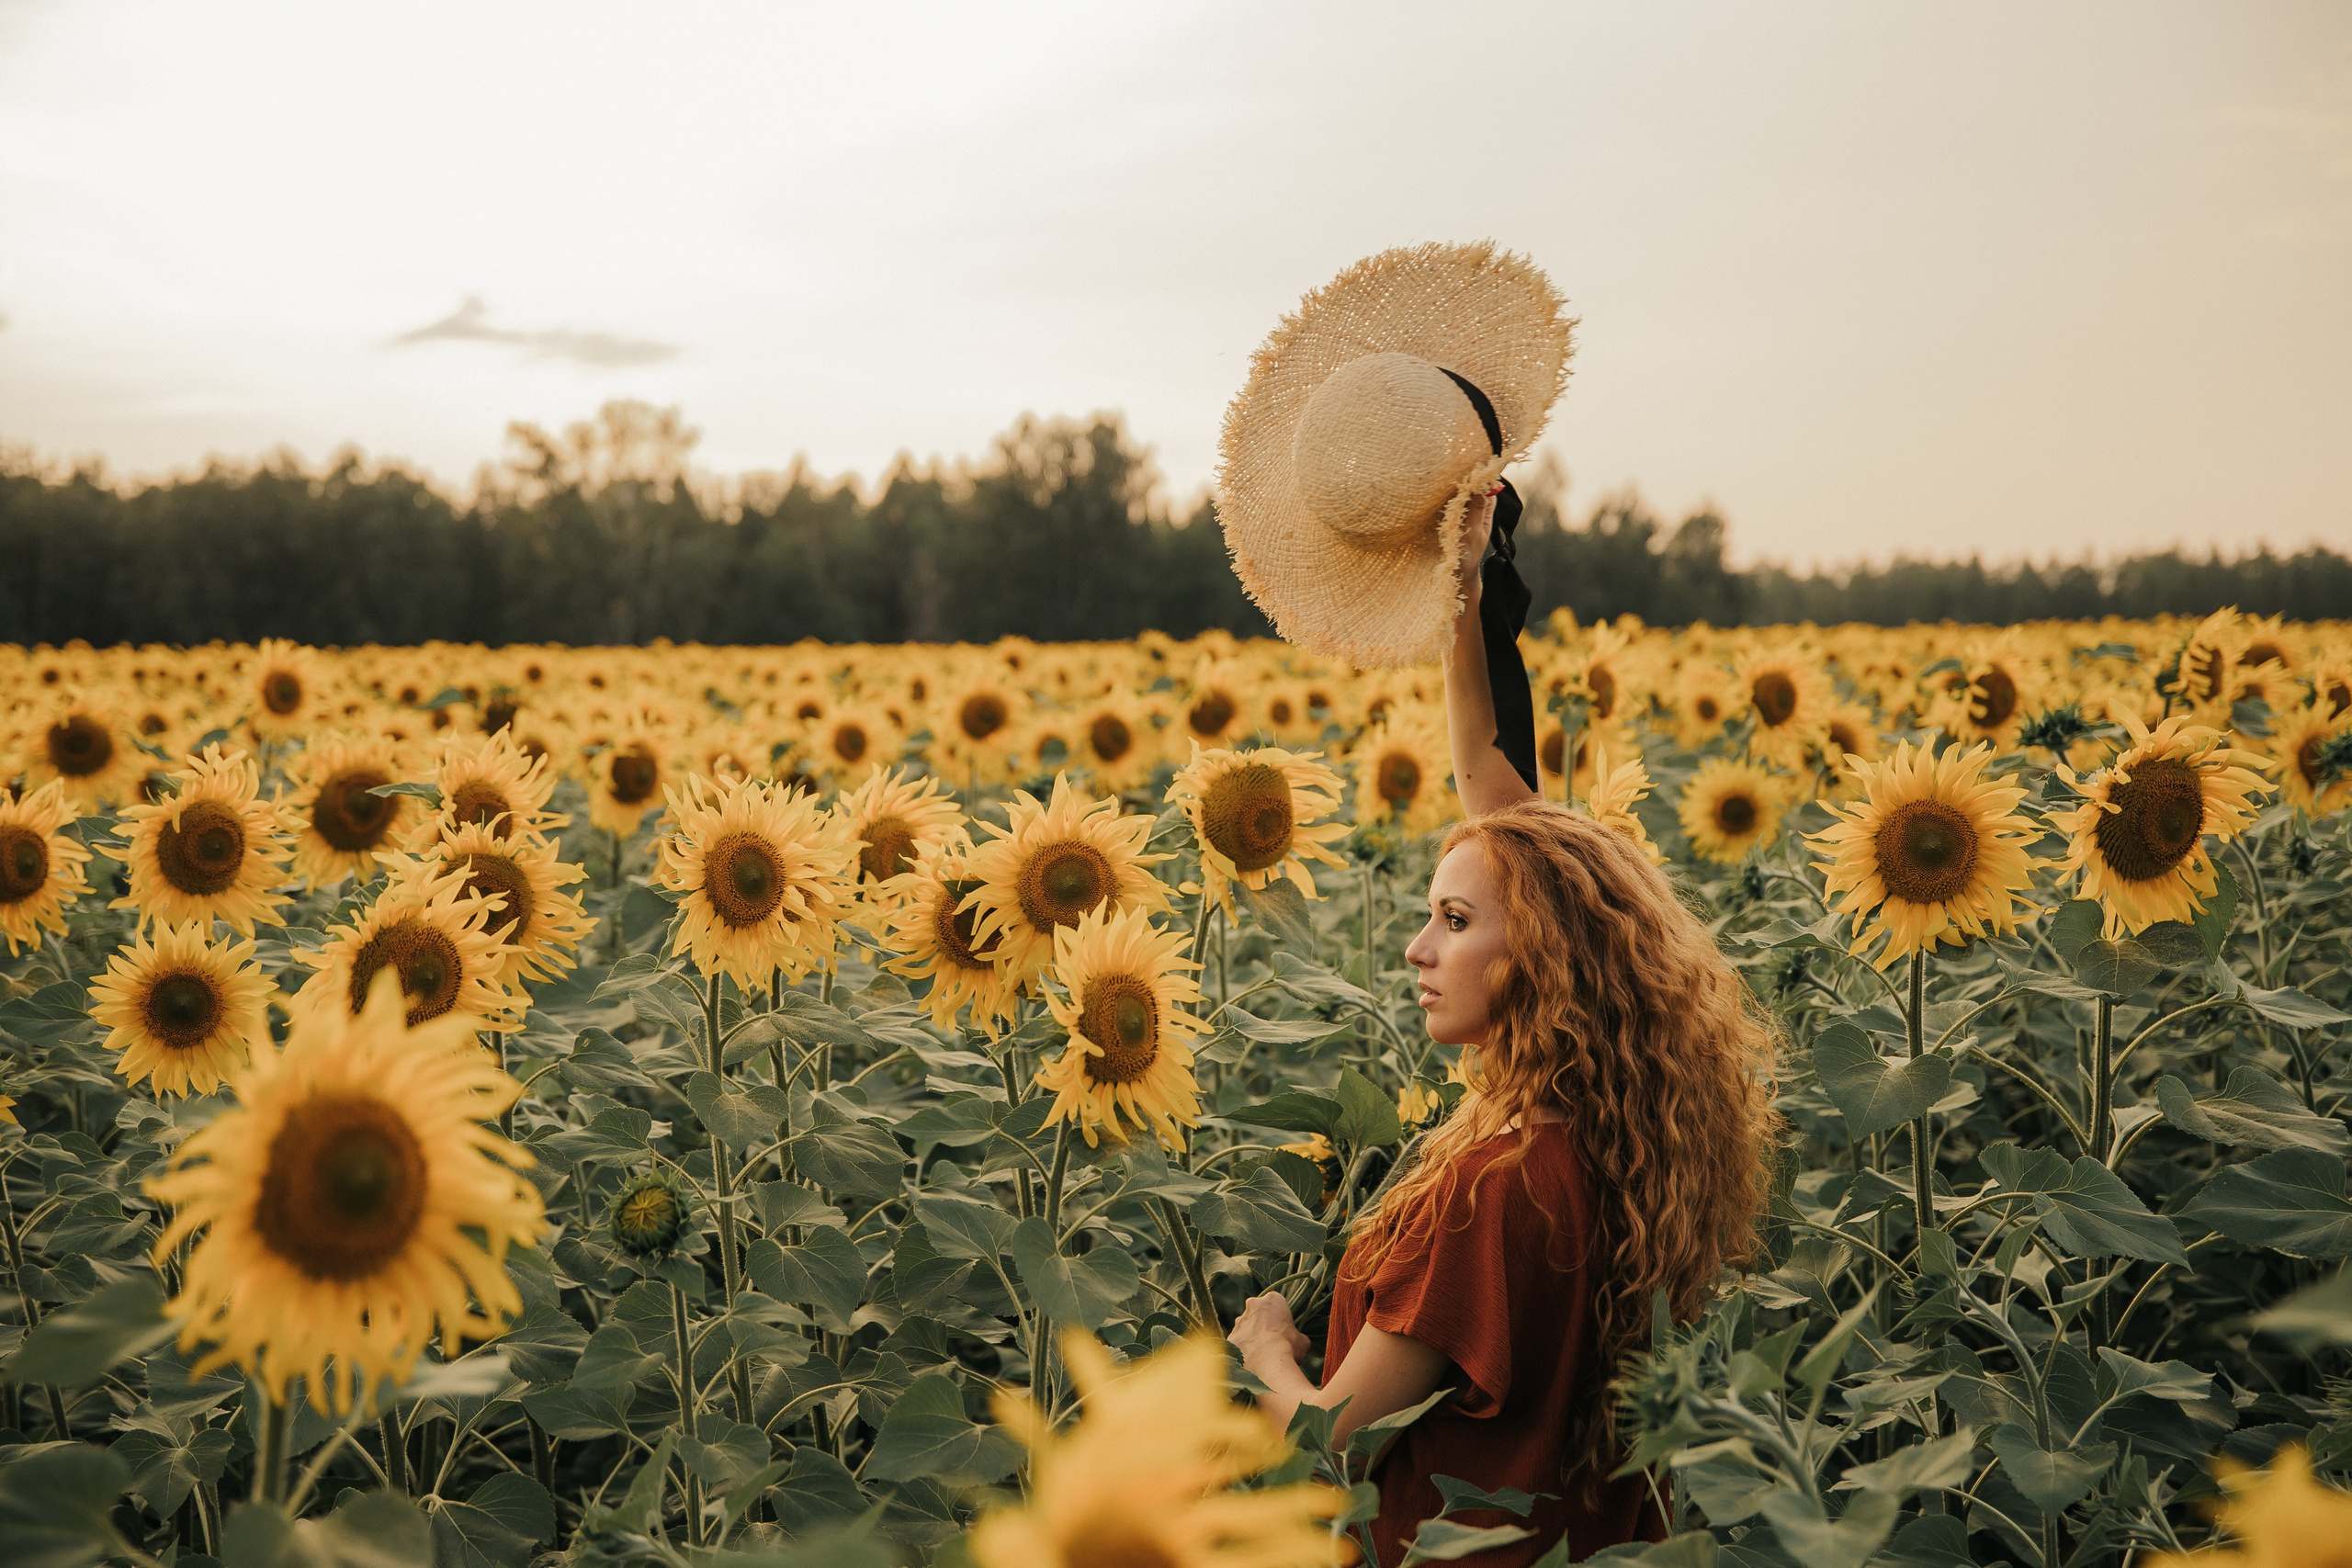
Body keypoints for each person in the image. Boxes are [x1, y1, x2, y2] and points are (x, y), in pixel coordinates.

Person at [1227, 489, 1781, 1566]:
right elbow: (1495, 791)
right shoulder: (1623, 1139)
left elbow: (1324, 1449)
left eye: (1452, 921)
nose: (1415, 950)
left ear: (1540, 955)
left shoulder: (1494, 1191)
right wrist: (1465, 590)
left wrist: (1262, 1348)